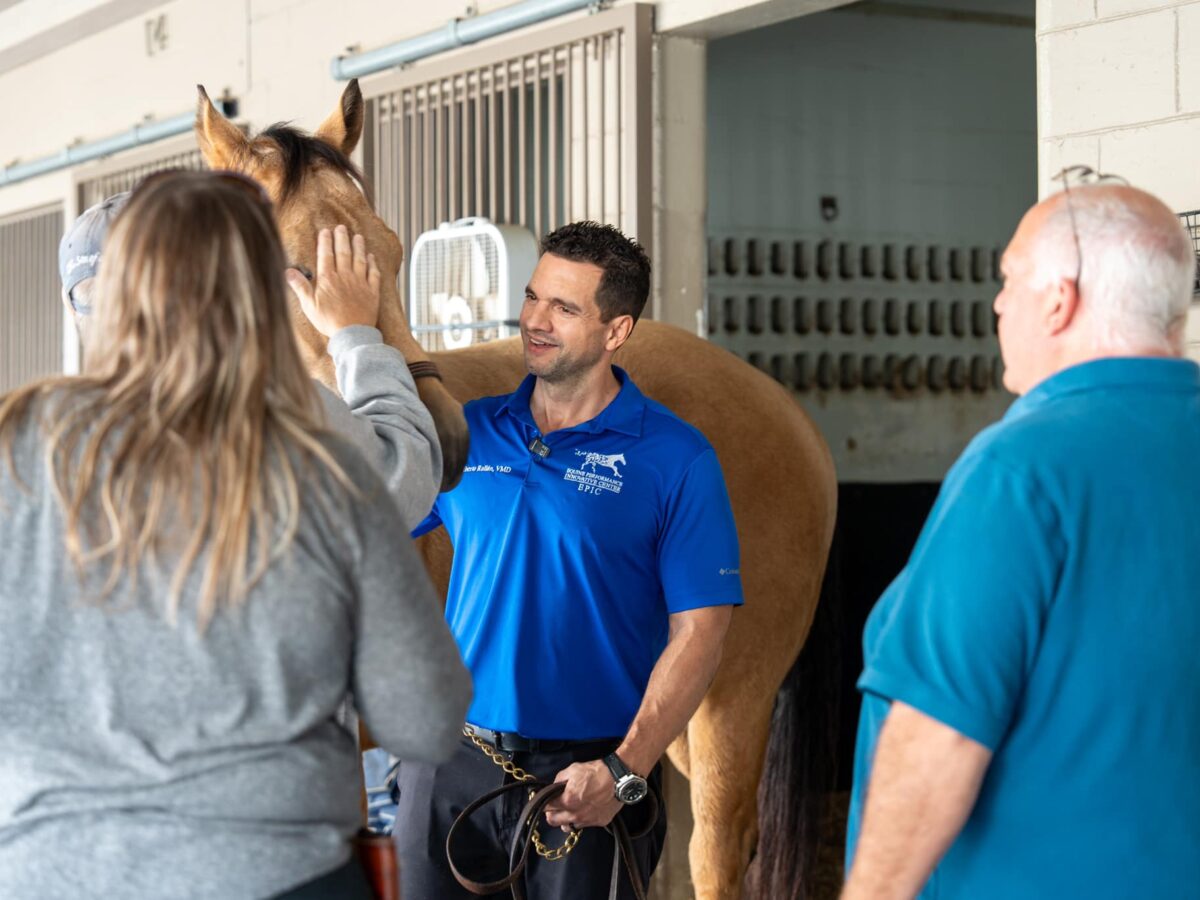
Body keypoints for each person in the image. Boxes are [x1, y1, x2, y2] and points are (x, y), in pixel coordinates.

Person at [0, 170, 472, 899]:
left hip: (48, 871)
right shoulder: (312, 448)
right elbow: (425, 718)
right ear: (257, 295)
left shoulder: (15, 443)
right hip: (276, 872)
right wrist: (356, 336)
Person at [843, 177, 1200, 899]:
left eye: (1009, 280)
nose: (1000, 304)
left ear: (1059, 298)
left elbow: (938, 732)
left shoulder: (1020, 466)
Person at [393, 221, 743, 899]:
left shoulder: (677, 459)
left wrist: (623, 770)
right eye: (532, 297)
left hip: (586, 784)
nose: (535, 321)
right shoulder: (470, 430)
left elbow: (702, 631)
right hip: (449, 763)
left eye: (564, 308)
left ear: (615, 331)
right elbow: (365, 523)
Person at [58, 189, 441, 528]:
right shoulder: (266, 411)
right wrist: (354, 335)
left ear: (69, 305)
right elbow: (402, 488)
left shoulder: (48, 447)